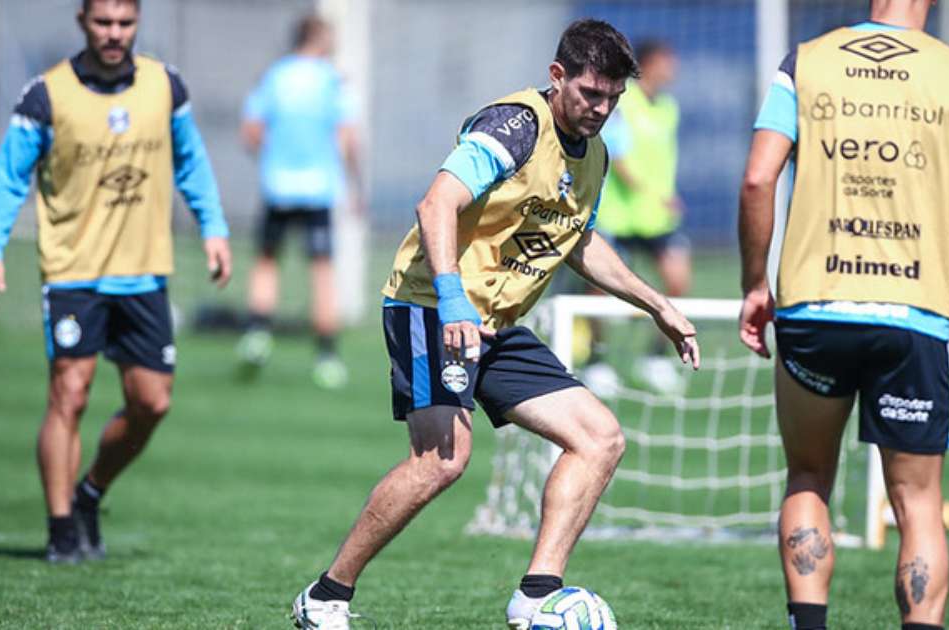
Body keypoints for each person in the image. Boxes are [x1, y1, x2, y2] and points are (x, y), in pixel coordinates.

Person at [290, 19, 700, 629]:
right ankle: (326, 595)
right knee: (443, 461)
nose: (601, 109)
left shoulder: (597, 156)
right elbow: (437, 204)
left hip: (495, 322)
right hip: (431, 303)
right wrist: (453, 299)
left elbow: (577, 242)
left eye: (613, 98)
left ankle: (537, 596)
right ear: (557, 76)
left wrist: (656, 303)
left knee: (600, 438)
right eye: (591, 94)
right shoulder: (513, 126)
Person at [737, 1, 949, 628]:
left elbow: (759, 181)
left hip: (815, 304)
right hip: (912, 312)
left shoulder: (804, 63)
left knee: (809, 474)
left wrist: (755, 283)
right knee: (918, 502)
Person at [0, 0, 230, 564]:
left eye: (125, 23)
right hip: (74, 272)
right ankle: (61, 526)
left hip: (144, 273)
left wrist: (213, 227)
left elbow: (191, 162)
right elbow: (10, 175)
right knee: (69, 392)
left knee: (152, 403)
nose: (114, 34)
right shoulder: (46, 95)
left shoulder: (166, 87)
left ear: (137, 23)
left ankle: (89, 492)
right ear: (82, 23)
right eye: (103, 23)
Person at [236, 14, 365, 390]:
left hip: (278, 186)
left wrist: (276, 156)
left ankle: (258, 334)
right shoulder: (334, 81)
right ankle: (327, 356)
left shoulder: (274, 76)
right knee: (322, 270)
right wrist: (355, 185)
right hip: (319, 188)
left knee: (266, 261)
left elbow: (251, 132)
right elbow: (348, 139)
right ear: (321, 40)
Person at [585, 38, 690, 395]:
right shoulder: (622, 103)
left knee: (678, 279)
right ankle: (596, 361)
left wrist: (664, 198)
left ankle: (656, 357)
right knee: (598, 289)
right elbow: (619, 156)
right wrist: (652, 194)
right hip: (618, 213)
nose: (672, 70)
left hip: (657, 218)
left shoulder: (669, 108)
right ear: (648, 65)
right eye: (666, 62)